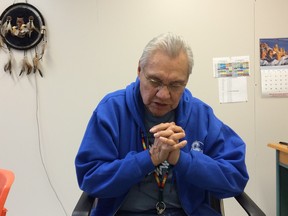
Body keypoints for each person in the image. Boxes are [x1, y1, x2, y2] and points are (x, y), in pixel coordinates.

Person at [75, 32, 249, 216]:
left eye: (175, 85)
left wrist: (182, 160)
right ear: (139, 70)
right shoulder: (111, 111)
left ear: (186, 81)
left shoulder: (201, 115)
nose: (163, 94)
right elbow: (90, 179)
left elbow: (235, 177)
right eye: (155, 81)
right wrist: (148, 159)